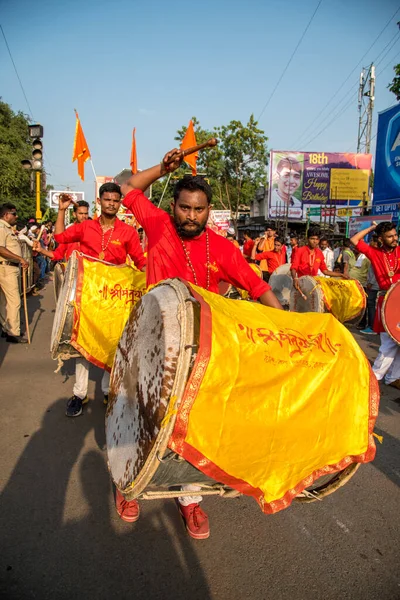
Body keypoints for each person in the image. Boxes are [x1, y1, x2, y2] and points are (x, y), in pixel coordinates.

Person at [115, 148, 282, 540]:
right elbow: (127, 189)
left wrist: (286, 324)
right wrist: (163, 168)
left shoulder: (222, 248)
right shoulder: (157, 224)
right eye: (185, 208)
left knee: (193, 425)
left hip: (199, 352)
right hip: (149, 340)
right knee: (140, 416)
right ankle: (129, 485)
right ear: (173, 206)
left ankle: (189, 500)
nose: (191, 216)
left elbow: (258, 287)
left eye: (199, 209)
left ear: (209, 210)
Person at [53, 183, 146, 417]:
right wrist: (62, 210)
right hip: (87, 297)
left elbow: (140, 262)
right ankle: (79, 393)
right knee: (81, 345)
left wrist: (157, 278)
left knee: (113, 342)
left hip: (114, 299)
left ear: (119, 203)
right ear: (100, 201)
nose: (112, 203)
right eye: (107, 200)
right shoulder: (85, 227)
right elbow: (58, 237)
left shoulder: (128, 232)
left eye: (116, 200)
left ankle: (107, 390)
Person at [350, 221, 400, 388]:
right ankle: (374, 377)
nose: (394, 238)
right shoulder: (374, 252)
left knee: (398, 341)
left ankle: (393, 377)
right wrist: (372, 228)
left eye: (395, 235)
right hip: (386, 301)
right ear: (381, 238)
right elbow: (355, 240)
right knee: (388, 341)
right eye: (389, 236)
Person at [0, 203, 29, 343]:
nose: (16, 216)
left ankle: (6, 328)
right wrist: (20, 258)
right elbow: (0, 248)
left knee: (5, 301)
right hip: (6, 267)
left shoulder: (7, 228)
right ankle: (13, 332)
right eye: (14, 214)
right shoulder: (1, 228)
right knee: (14, 301)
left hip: (8, 267)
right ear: (6, 215)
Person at [360, 235, 379, 335]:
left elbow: (377, 271)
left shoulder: (376, 254)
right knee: (371, 305)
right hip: (372, 283)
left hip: (374, 284)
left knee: (371, 305)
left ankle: (372, 327)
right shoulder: (375, 254)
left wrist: (371, 282)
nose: (370, 242)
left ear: (376, 243)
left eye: (371, 240)